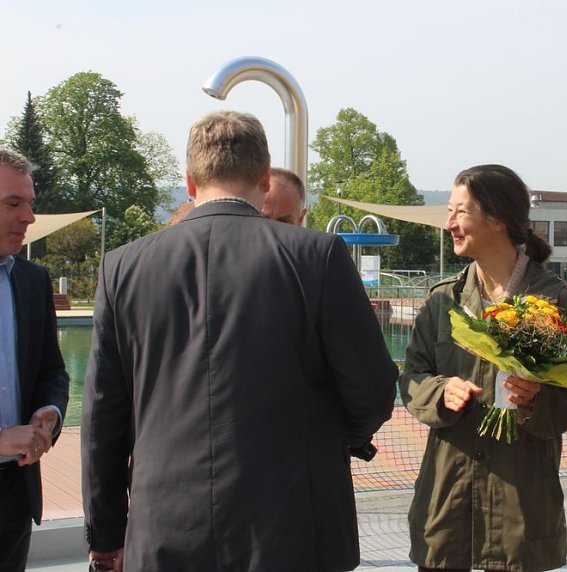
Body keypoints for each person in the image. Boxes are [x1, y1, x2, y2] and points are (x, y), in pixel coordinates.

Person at [81, 111, 398, 571]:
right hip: (294, 525)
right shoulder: (318, 256)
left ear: (189, 182)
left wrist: (107, 531)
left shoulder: (122, 267)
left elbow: (102, 417)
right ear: (266, 177)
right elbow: (372, 388)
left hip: (165, 525)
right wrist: (320, 443)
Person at [399, 164, 567, 571]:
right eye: (449, 211)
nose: (449, 223)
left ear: (497, 219)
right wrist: (441, 392)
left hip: (520, 515)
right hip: (446, 507)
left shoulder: (555, 303)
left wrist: (537, 400)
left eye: (460, 211)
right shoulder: (443, 302)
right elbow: (412, 377)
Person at [0, 148, 69, 571]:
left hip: (13, 495)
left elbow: (52, 370)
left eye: (31, 204)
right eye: (13, 203)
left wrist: (50, 412)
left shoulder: (32, 280)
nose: (28, 217)